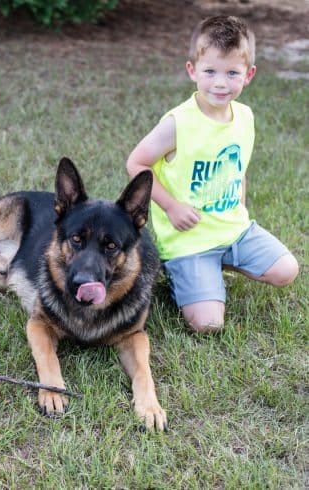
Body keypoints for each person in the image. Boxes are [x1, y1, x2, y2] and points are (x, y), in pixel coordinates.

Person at [126, 15, 298, 333]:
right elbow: (136, 163)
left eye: (232, 73)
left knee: (287, 270)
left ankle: (221, 262)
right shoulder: (179, 123)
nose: (220, 83)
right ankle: (187, 273)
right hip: (188, 241)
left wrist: (241, 209)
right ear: (192, 70)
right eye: (210, 72)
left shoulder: (244, 117)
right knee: (208, 325)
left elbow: (238, 167)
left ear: (249, 75)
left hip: (232, 229)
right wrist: (172, 207)